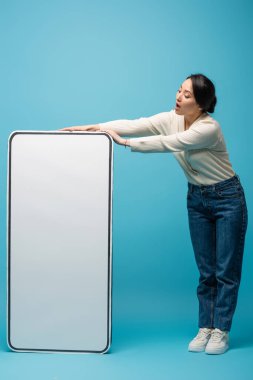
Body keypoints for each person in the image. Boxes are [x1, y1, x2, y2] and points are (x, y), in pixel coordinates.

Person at [61, 73, 248, 355]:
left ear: (200, 104)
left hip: (227, 198)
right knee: (206, 271)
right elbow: (138, 125)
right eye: (179, 90)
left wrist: (123, 143)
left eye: (187, 95)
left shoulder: (209, 128)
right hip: (197, 198)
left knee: (225, 271)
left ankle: (221, 330)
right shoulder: (172, 118)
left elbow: (170, 143)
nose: (178, 97)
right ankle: (205, 328)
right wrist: (95, 127)